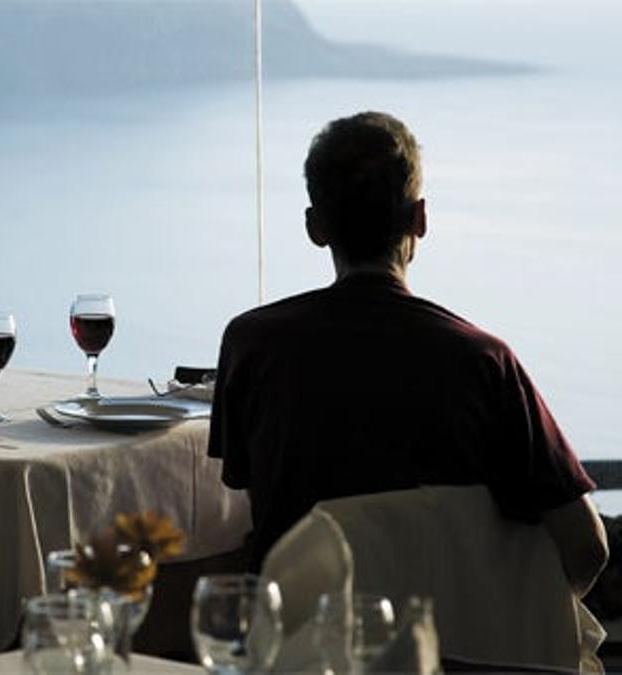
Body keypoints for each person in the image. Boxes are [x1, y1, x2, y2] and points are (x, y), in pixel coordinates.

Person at [207, 111, 607, 594]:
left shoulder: (253, 344)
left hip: (297, 645)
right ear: (420, 218)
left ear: (316, 227)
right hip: (446, 653)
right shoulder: (483, 362)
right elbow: (587, 548)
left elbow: (254, 500)